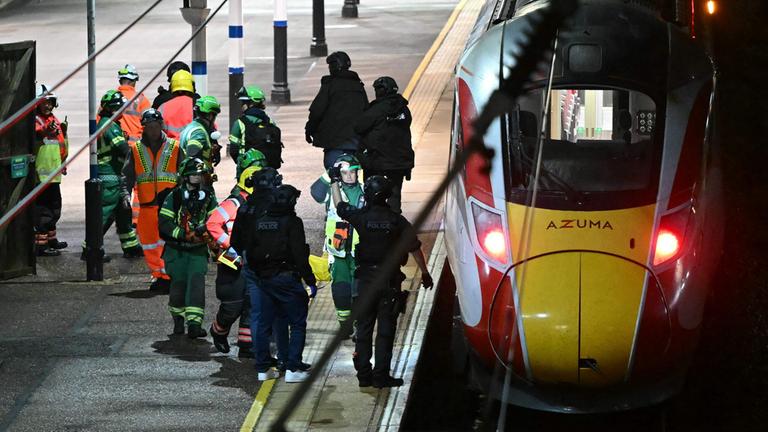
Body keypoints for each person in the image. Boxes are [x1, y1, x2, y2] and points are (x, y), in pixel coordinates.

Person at [330, 174, 433, 388]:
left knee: (364, 329)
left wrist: (334, 181)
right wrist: (424, 273)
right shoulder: (396, 220)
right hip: (389, 283)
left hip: (364, 282)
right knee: (385, 331)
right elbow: (415, 248)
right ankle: (381, 376)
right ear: (387, 195)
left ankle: (364, 375)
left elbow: (339, 205)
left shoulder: (360, 216)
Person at [232, 184, 316, 383]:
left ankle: (263, 369)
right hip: (286, 279)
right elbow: (299, 254)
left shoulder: (260, 221)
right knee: (297, 323)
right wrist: (310, 281)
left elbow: (246, 247)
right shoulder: (293, 222)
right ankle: (292, 368)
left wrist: (258, 272)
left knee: (263, 322)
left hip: (263, 280)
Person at [206, 149, 266, 358]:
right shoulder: (233, 203)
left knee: (252, 303)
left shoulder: (262, 203)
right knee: (233, 305)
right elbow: (212, 224)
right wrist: (230, 244)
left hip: (253, 261)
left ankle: (246, 346)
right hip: (233, 259)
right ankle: (218, 330)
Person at [230, 167, 291, 367]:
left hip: (251, 265)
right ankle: (283, 357)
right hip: (276, 267)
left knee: (256, 310)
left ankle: (260, 355)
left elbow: (235, 241)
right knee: (279, 311)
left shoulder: (245, 207)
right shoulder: (279, 206)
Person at [121, 108, 182, 292]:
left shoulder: (175, 147)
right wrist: (125, 195)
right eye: (149, 127)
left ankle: (169, 276)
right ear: (144, 128)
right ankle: (159, 276)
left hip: (169, 206)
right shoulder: (136, 149)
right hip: (147, 206)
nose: (153, 130)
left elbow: (185, 172)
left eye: (156, 126)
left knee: (168, 244)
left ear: (161, 125)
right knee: (149, 245)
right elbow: (127, 176)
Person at [158, 157, 217, 338]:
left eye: (200, 174)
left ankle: (194, 325)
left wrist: (207, 235)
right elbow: (165, 223)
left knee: (197, 286)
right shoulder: (174, 196)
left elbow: (215, 220)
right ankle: (178, 320)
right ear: (185, 176)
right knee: (178, 286)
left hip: (198, 251)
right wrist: (185, 235)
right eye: (194, 174)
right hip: (176, 251)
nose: (198, 177)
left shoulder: (208, 197)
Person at [85, 90, 142, 260]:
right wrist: (142, 154)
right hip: (109, 178)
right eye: (119, 108)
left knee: (123, 212)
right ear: (111, 109)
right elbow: (123, 149)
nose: (122, 111)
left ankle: (130, 246)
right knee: (104, 215)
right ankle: (91, 249)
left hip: (116, 176)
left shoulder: (110, 124)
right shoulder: (108, 125)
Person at [310, 154, 364, 331]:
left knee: (359, 288)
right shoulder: (332, 191)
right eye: (344, 173)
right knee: (341, 287)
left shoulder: (365, 191)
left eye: (352, 172)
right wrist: (329, 174)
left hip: (360, 251)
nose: (349, 176)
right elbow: (316, 193)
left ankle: (359, 323)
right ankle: (344, 324)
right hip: (338, 251)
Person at [355, 76, 414, 214]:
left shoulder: (376, 110)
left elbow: (359, 127)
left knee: (373, 194)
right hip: (399, 161)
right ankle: (394, 221)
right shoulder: (404, 109)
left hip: (377, 160)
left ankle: (375, 218)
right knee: (395, 195)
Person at [305, 51, 368, 169]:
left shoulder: (330, 85)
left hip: (334, 141)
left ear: (335, 66)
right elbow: (366, 111)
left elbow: (317, 111)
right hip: (355, 141)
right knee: (352, 173)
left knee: (333, 172)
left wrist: (309, 130)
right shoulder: (358, 86)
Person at [32, 84, 69, 257]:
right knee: (44, 210)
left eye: (50, 102)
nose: (47, 105)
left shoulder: (53, 119)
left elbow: (60, 144)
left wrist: (63, 163)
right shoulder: (36, 120)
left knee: (55, 208)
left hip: (54, 173)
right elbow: (36, 135)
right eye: (44, 102)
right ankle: (41, 245)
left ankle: (51, 239)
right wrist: (45, 131)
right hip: (42, 175)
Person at [229, 85, 283, 171]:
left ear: (250, 104)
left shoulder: (239, 123)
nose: (242, 105)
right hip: (269, 169)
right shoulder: (270, 122)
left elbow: (233, 150)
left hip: (247, 169)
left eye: (243, 102)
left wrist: (241, 163)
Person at [179, 95, 223, 170]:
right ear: (210, 115)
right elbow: (192, 157)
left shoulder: (192, 126)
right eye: (214, 115)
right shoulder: (199, 133)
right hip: (195, 176)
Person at [115, 64, 151, 145]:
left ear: (120, 81)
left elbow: (99, 122)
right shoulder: (142, 100)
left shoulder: (110, 98)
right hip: (136, 145)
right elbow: (150, 124)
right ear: (134, 81)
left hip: (116, 145)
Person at [157, 69, 196, 140]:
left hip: (170, 146)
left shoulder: (163, 107)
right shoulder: (197, 105)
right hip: (192, 145)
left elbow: (156, 132)